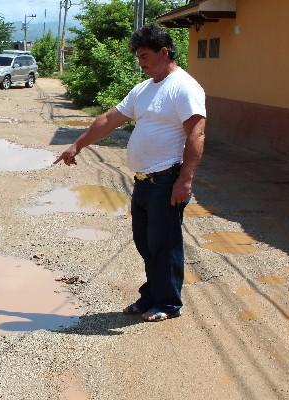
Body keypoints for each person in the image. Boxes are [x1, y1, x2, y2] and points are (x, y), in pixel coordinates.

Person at [54, 24, 206, 322]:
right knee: (145, 243)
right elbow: (110, 119)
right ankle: (151, 295)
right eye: (138, 56)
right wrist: (77, 144)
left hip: (167, 179)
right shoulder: (145, 88)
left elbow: (197, 134)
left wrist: (185, 180)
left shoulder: (184, 87)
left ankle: (168, 303)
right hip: (144, 182)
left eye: (145, 55)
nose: (141, 62)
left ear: (164, 52)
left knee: (164, 244)